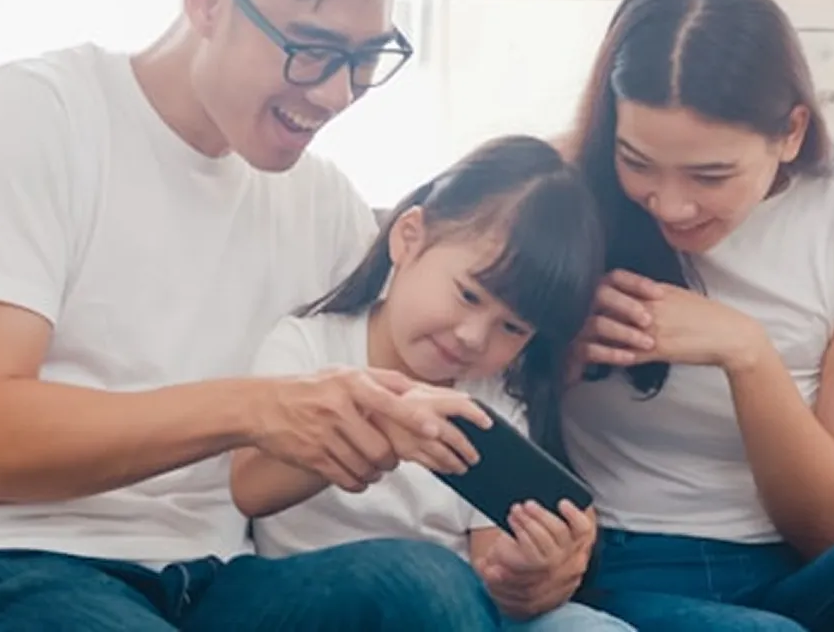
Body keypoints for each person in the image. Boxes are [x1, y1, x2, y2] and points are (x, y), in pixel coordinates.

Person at [0, 0, 506, 632]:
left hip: (219, 577)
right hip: (5, 563)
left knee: (424, 589)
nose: (340, 94)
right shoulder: (27, 119)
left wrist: (521, 553)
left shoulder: (324, 206)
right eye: (312, 51)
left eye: (368, 56)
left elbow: (413, 367)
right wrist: (251, 407)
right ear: (205, 0)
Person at [556, 0, 834, 631]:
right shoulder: (558, 189)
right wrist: (548, 346)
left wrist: (746, 353)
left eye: (710, 174)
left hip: (806, 569)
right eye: (636, 161)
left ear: (791, 132)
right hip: (623, 567)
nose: (670, 203)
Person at [230, 135, 636, 631]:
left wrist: (525, 572)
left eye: (512, 328)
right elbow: (250, 490)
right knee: (424, 577)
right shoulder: (309, 347)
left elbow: (491, 578)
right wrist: (382, 428)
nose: (472, 337)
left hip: (453, 610)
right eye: (468, 295)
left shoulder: (493, 403)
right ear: (409, 237)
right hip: (319, 599)